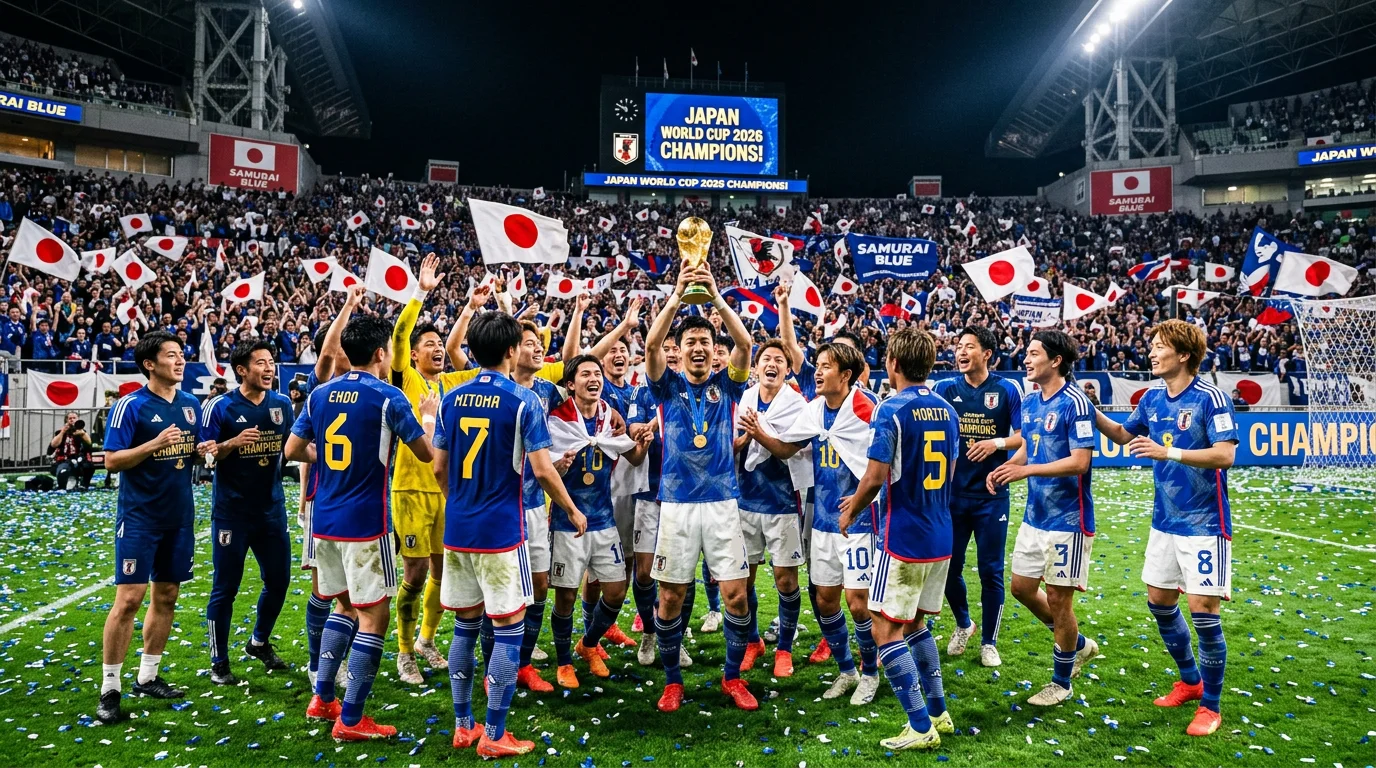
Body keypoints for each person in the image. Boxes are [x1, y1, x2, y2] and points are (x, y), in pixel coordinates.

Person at [431, 311, 587, 758]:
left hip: (458, 528)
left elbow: (440, 467)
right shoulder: (523, 402)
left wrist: (460, 501)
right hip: (501, 530)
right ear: (510, 351)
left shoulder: (450, 400)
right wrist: (572, 509)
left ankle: (464, 724)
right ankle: (495, 734)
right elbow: (541, 470)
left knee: (464, 626)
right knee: (508, 628)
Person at [285, 315, 436, 742]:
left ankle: (323, 698)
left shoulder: (319, 396)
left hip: (324, 518)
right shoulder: (389, 398)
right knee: (374, 617)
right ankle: (351, 719)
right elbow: (425, 455)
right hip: (365, 523)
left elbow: (293, 449)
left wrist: (333, 464)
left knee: (343, 607)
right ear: (379, 354)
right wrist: (427, 417)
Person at [1093, 320, 1237, 737]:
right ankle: (1190, 681)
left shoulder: (1211, 398)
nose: (1151, 352)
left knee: (1203, 613)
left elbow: (1224, 455)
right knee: (1159, 601)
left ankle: (1211, 706)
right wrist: (1090, 411)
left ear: (1185, 355)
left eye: (1159, 347)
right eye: (1152, 345)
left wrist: (1167, 451)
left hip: (1205, 523)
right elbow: (1122, 435)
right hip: (1165, 522)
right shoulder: (1153, 397)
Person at [642, 261, 757, 713]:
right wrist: (677, 296)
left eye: (705, 343)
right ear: (679, 349)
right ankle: (673, 681)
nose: (697, 349)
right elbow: (652, 344)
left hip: (723, 502)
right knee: (671, 595)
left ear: (714, 351)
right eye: (690, 342)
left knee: (736, 593)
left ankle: (732, 677)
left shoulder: (727, 386)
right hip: (676, 504)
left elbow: (745, 343)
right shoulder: (665, 387)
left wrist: (714, 299)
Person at [839, 327, 960, 750]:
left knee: (885, 629)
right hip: (940, 531)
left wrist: (851, 508)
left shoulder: (890, 410)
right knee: (916, 625)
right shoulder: (948, 410)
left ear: (892, 363)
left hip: (902, 534)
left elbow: (874, 477)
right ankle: (940, 712)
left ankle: (920, 727)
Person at [96, 330, 217, 724]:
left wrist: (204, 449)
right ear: (150, 364)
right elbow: (111, 461)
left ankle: (147, 676)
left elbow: (191, 447)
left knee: (166, 596)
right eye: (171, 355)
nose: (180, 361)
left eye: (181, 355)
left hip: (179, 518)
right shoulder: (129, 405)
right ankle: (110, 688)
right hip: (139, 518)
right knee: (128, 600)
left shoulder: (189, 404)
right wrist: (153, 445)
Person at [754, 342, 882, 705]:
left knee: (858, 603)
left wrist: (859, 500)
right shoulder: (813, 410)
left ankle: (870, 673)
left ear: (845, 375)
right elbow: (785, 449)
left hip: (858, 521)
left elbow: (884, 465)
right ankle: (846, 670)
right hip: (823, 521)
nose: (818, 371)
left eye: (827, 366)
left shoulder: (866, 408)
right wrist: (759, 433)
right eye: (819, 365)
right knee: (826, 601)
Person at [988, 330, 1100, 707]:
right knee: (1020, 588)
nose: (1026, 358)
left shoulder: (1076, 403)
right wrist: (1008, 466)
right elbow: (1028, 447)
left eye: (1033, 353)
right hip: (1036, 517)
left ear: (1055, 361)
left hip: (1069, 520)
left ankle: (1061, 682)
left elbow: (1080, 462)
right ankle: (1078, 645)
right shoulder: (1032, 402)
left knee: (1058, 599)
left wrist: (1028, 471)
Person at [387, 255, 483, 685]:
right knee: (415, 573)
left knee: (444, 574)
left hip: (448, 490)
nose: (438, 348)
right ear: (413, 354)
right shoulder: (404, 379)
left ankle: (426, 639)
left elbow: (488, 368)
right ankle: (404, 652)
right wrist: (420, 292)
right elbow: (400, 333)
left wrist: (473, 309)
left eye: (440, 343)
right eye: (430, 344)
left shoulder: (450, 384)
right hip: (409, 489)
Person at [546, 354, 649, 688]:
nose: (594, 379)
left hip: (603, 520)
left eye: (597, 373)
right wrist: (559, 467)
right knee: (565, 597)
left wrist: (642, 445)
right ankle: (563, 663)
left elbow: (630, 456)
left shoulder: (609, 418)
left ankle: (588, 644)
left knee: (616, 591)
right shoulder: (556, 420)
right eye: (585, 374)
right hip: (567, 522)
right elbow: (545, 468)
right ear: (570, 384)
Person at [200, 340, 296, 684]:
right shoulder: (219, 407)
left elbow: (294, 447)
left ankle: (258, 641)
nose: (269, 369)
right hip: (232, 513)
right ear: (242, 370)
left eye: (271, 362)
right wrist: (230, 444)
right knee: (225, 586)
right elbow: (205, 455)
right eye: (261, 363)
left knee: (279, 581)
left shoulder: (282, 405)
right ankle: (219, 661)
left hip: (271, 509)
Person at [933, 327, 1023, 667]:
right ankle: (963, 624)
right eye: (958, 346)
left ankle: (989, 641)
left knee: (990, 570)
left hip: (991, 496)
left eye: (969, 346)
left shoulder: (1006, 389)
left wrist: (995, 444)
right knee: (948, 568)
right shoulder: (943, 389)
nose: (961, 351)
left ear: (987, 353)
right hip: (952, 497)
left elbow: (1023, 437)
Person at [732, 340, 807, 678]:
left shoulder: (796, 404)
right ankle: (751, 641)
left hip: (782, 501)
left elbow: (789, 450)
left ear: (787, 370)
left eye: (779, 359)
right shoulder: (744, 399)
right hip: (746, 499)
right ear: (757, 367)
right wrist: (745, 438)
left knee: (785, 578)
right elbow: (734, 444)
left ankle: (785, 649)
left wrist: (757, 432)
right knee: (742, 578)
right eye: (766, 359)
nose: (772, 364)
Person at [50, 412, 94, 490]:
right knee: (63, 472)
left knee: (88, 467)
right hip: (64, 460)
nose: (72, 420)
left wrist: (83, 433)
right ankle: (63, 485)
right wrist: (63, 432)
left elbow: (89, 443)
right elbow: (53, 444)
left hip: (79, 459)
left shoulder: (82, 432)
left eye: (74, 418)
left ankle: (84, 485)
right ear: (66, 420)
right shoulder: (60, 432)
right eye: (70, 418)